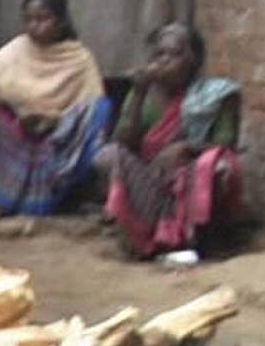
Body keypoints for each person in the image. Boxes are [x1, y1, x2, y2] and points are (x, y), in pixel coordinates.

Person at [101, 18, 249, 265]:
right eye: (159, 54)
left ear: (193, 61)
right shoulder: (145, 95)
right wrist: (137, 94)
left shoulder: (216, 96)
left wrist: (187, 147)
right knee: (109, 155)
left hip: (193, 178)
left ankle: (206, 239)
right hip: (151, 179)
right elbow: (123, 142)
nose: (163, 61)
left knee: (222, 165)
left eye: (174, 54)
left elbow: (227, 143)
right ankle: (140, 237)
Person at [0, 0, 112, 219]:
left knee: (99, 111)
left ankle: (75, 195)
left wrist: (53, 119)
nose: (34, 26)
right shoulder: (20, 47)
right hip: (17, 131)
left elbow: (91, 104)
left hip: (58, 138)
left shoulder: (80, 58)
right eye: (28, 19)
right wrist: (17, 105)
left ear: (60, 21)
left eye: (43, 19)